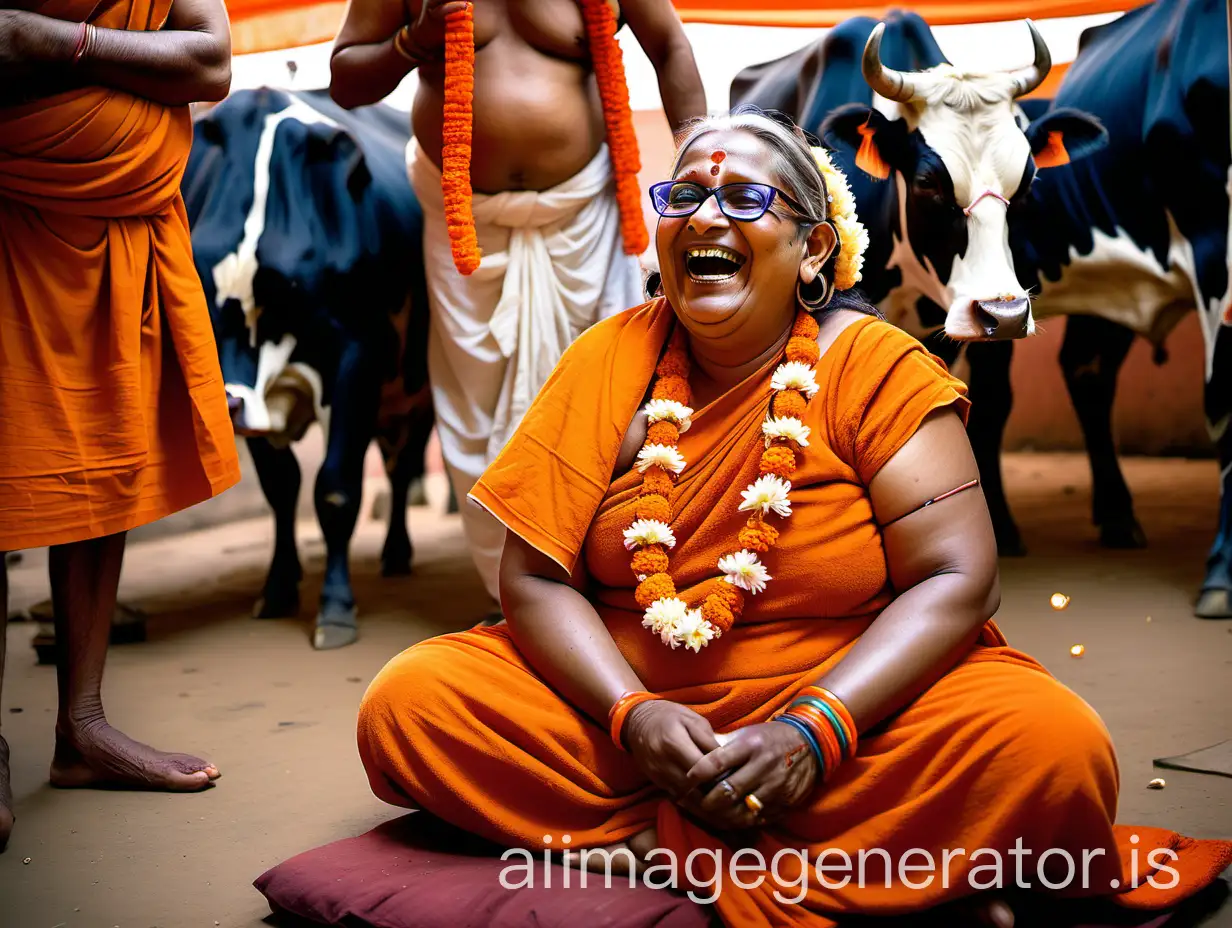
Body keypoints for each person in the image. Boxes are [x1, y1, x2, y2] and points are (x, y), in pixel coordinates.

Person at [355, 110, 1232, 926]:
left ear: (815, 249)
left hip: (855, 712)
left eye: (742, 198)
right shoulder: (607, 357)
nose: (703, 218)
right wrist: (633, 716)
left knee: (1055, 745)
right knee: (411, 704)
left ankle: (658, 848)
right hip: (631, 715)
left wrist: (813, 731)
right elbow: (534, 577)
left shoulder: (875, 363)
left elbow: (958, 576)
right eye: (686, 195)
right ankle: (853, 872)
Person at [329, 0, 707, 603]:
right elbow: (345, 79)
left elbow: (671, 48)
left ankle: (608, 584)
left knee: (607, 401)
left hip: (588, 216)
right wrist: (411, 42)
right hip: (464, 230)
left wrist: (701, 174)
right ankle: (515, 601)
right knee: (477, 412)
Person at [0, 0, 240, 853]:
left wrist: (57, 43)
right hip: (13, 212)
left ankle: (82, 726)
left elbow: (210, 63)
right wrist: (122, 63)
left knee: (102, 464)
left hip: (124, 220)